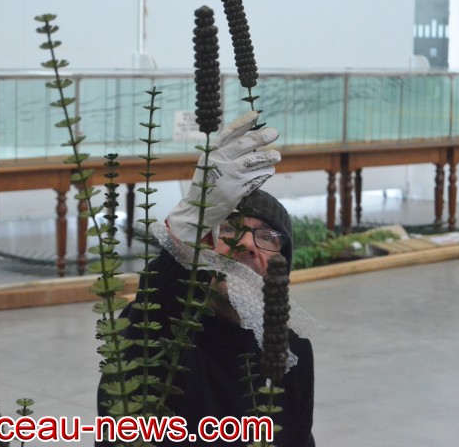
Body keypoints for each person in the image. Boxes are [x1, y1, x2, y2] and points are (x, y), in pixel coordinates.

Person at [96, 111, 315, 447]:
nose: (245, 243)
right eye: (228, 228)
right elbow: (160, 309)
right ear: (202, 247)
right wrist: (188, 227)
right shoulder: (155, 331)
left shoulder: (291, 349)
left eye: (268, 237)